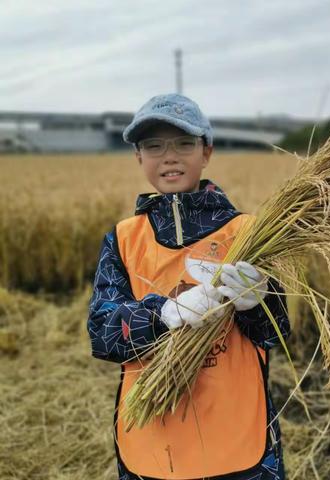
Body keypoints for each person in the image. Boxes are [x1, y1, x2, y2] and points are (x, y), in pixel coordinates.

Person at [87, 93, 291, 480]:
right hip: (152, 448)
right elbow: (102, 333)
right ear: (138, 157)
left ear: (206, 151)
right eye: (154, 145)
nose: (170, 156)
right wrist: (164, 313)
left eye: (184, 143)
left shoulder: (248, 233)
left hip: (240, 444)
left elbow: (276, 331)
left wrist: (259, 302)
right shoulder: (124, 239)